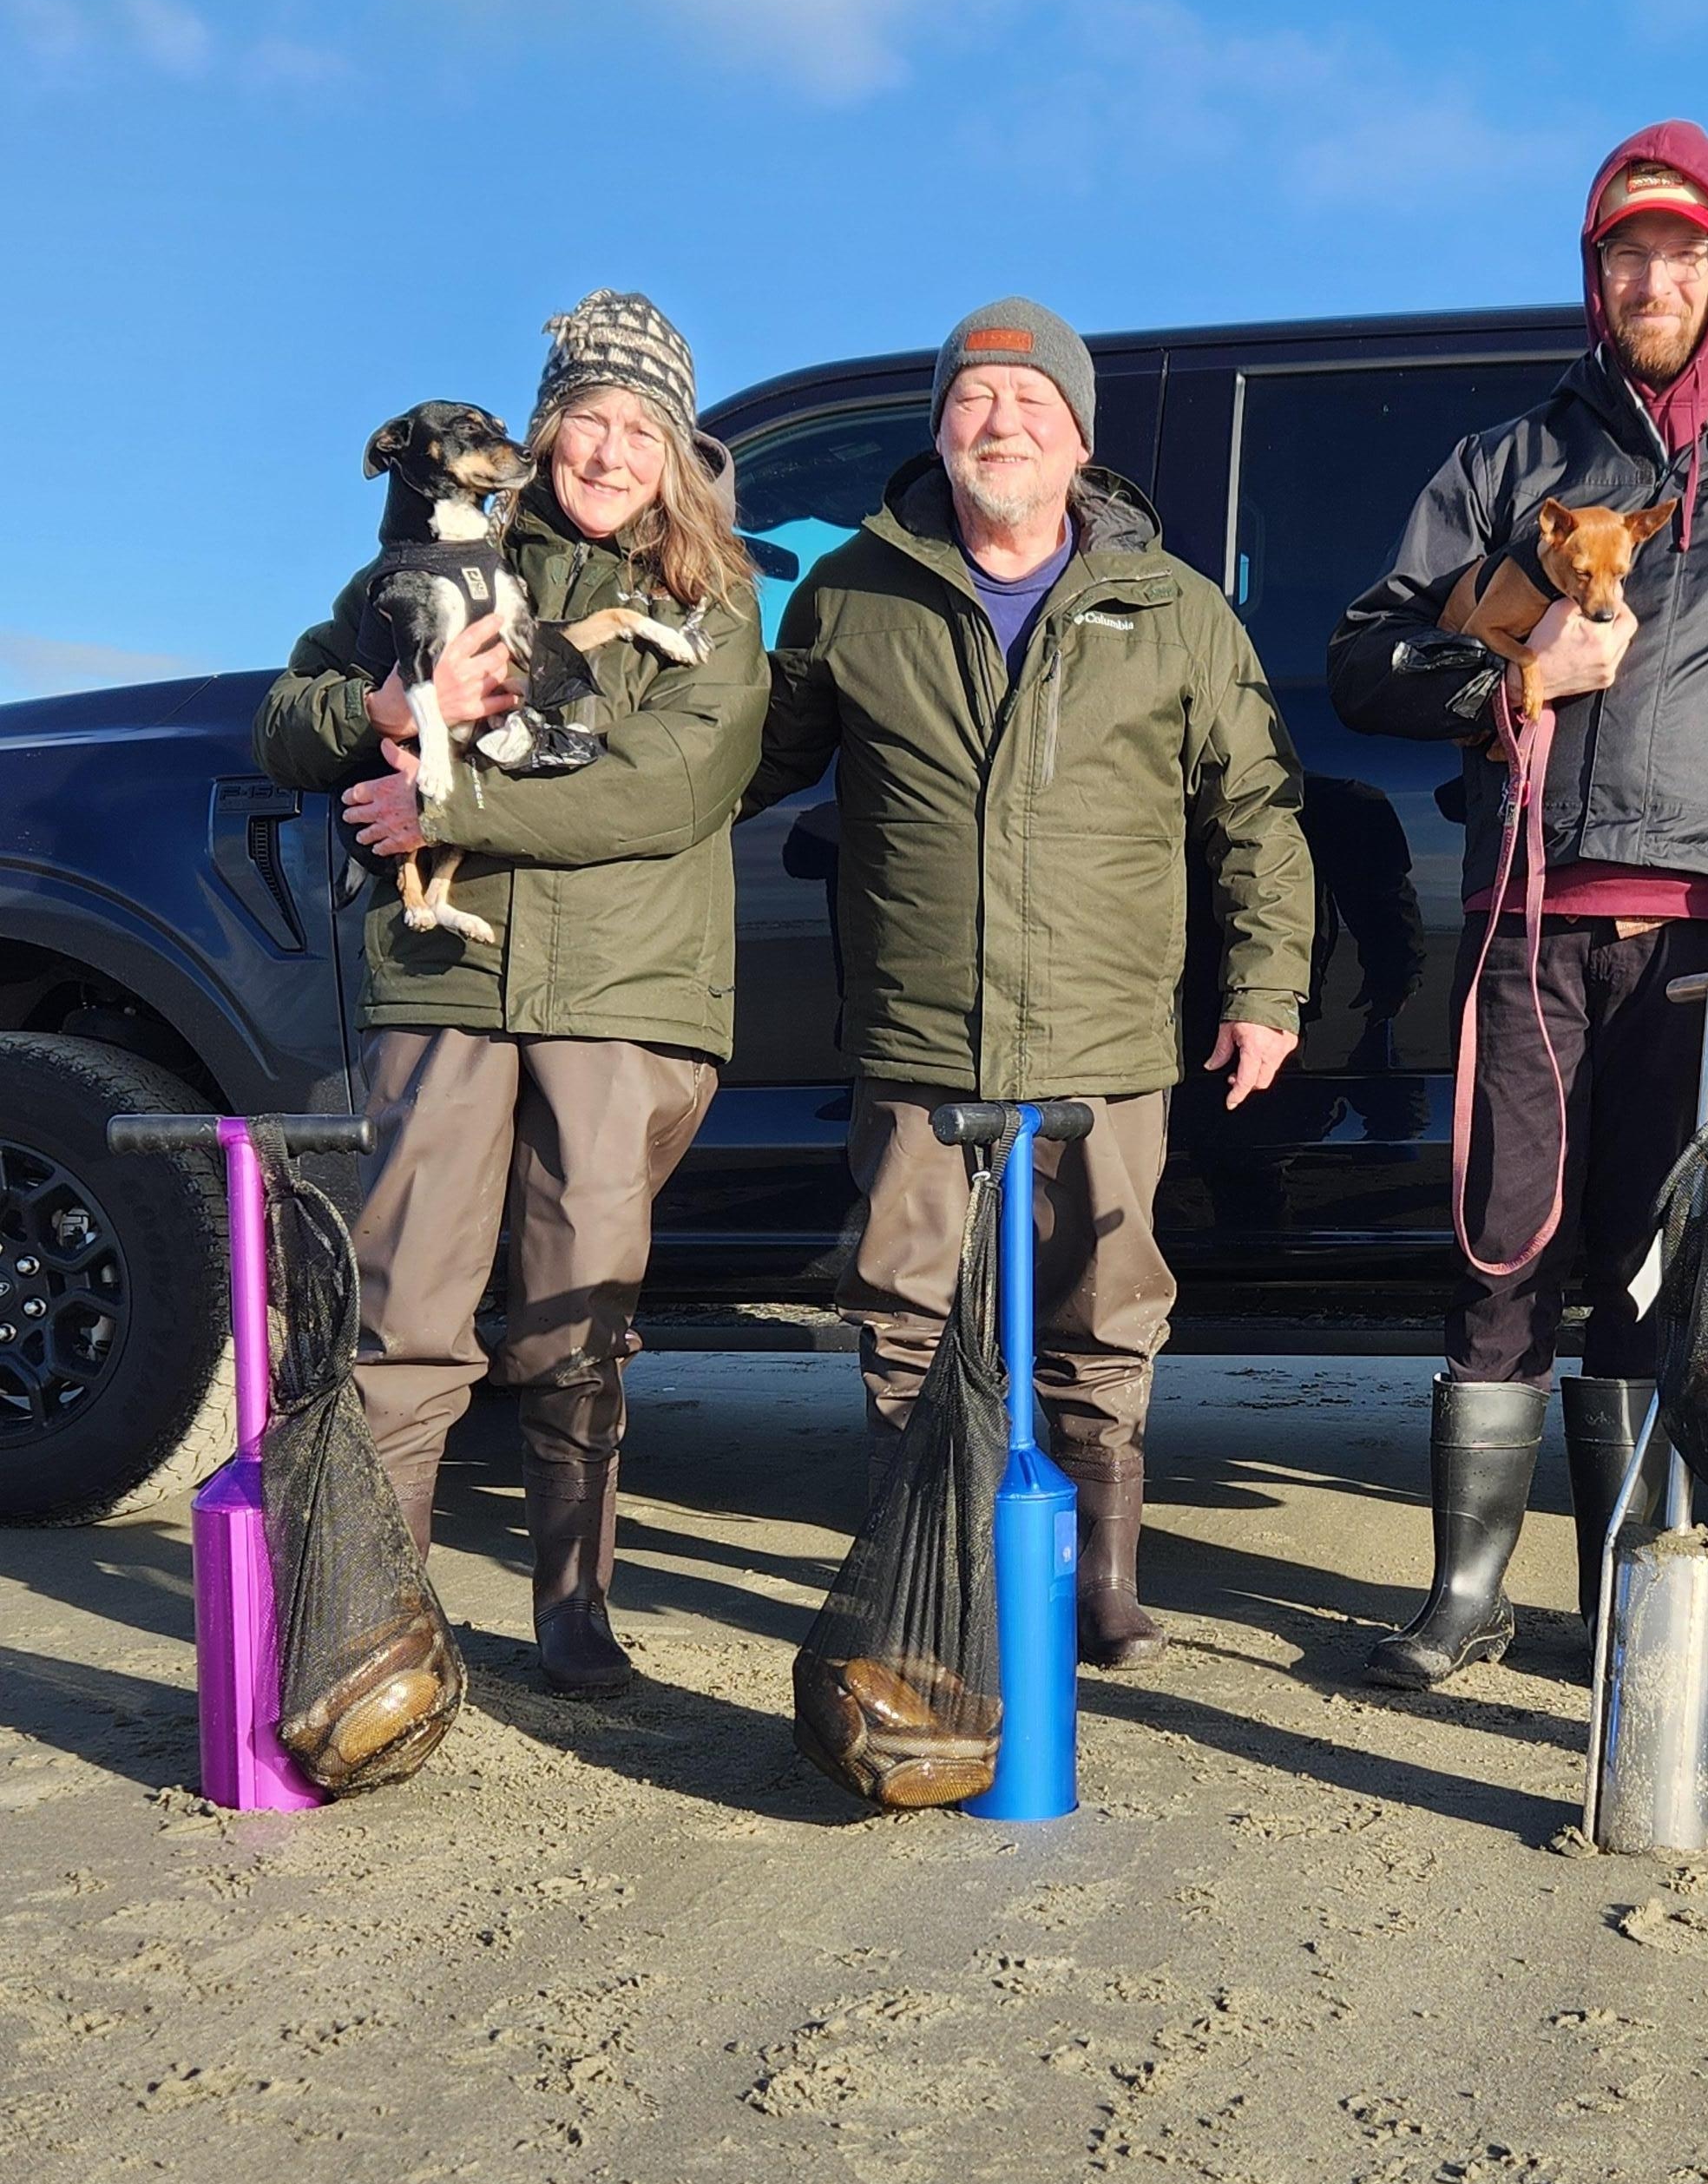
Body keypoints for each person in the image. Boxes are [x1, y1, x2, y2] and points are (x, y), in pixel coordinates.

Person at [1328, 122, 1708, 1687]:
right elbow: (1362, 655)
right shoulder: (1510, 462)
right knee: (1504, 1242)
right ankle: (1466, 1594)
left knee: (1652, 1264)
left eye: (1681, 251)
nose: (1651, 276)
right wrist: (1509, 673)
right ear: (1595, 274)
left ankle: (1624, 1606)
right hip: (1530, 915)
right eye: (1623, 252)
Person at [746, 299, 1315, 1667]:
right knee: (901, 1308)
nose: (1000, 425)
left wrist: (1266, 990)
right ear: (940, 430)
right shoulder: (855, 593)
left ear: (1078, 444)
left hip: (1107, 1032)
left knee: (1107, 1309)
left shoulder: (1173, 610)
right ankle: (918, 1568)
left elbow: (1257, 815)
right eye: (973, 402)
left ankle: (1101, 1586)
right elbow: (742, 767)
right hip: (919, 1031)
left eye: (1030, 406)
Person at [255, 293, 768, 1700]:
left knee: (573, 1315)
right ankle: (373, 1614)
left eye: (640, 430)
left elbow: (675, 786)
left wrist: (447, 801)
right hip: (444, 984)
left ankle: (572, 1610)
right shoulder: (432, 566)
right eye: (587, 422)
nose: (610, 454)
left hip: (623, 998)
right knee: (402, 1307)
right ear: (541, 435)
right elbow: (281, 714)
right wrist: (374, 716)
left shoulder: (711, 604)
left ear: (677, 451)